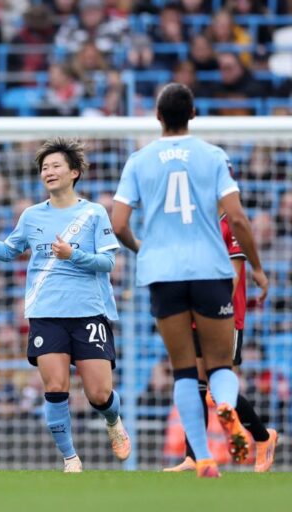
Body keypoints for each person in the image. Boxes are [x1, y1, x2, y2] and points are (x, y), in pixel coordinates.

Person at [111, 82, 269, 478]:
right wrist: (258, 267)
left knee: (183, 369)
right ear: (194, 115)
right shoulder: (213, 156)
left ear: (158, 117)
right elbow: (236, 219)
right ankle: (228, 408)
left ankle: (202, 458)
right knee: (218, 367)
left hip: (163, 272)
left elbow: (117, 224)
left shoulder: (139, 160)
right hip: (209, 269)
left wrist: (141, 248)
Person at [0, 137, 130, 473]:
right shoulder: (31, 215)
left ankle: (113, 419)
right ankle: (70, 458)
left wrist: (74, 255)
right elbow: (9, 252)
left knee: (98, 394)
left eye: (55, 166)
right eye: (44, 167)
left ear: (74, 172)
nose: (48, 172)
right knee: (54, 387)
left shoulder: (93, 213)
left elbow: (108, 264)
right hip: (45, 313)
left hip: (88, 313)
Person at [164, 210, 278, 473]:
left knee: (218, 390)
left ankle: (263, 437)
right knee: (196, 386)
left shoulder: (231, 223)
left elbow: (233, 276)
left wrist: (208, 308)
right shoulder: (193, 220)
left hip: (224, 316)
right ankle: (193, 456)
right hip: (193, 313)